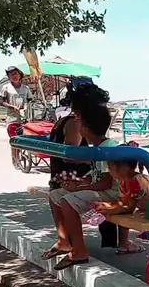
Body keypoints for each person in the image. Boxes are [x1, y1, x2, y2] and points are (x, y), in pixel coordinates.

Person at [43, 103, 119, 269]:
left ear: (86, 129)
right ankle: (63, 241)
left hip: (111, 194)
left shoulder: (107, 148)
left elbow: (106, 182)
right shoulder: (98, 147)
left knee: (68, 202)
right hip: (101, 190)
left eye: (80, 123)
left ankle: (79, 251)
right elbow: (95, 173)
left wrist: (80, 189)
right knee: (55, 195)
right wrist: (81, 181)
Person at [48, 79, 108, 190]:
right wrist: (96, 159)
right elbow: (70, 156)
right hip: (73, 182)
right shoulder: (75, 123)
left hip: (65, 180)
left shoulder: (65, 120)